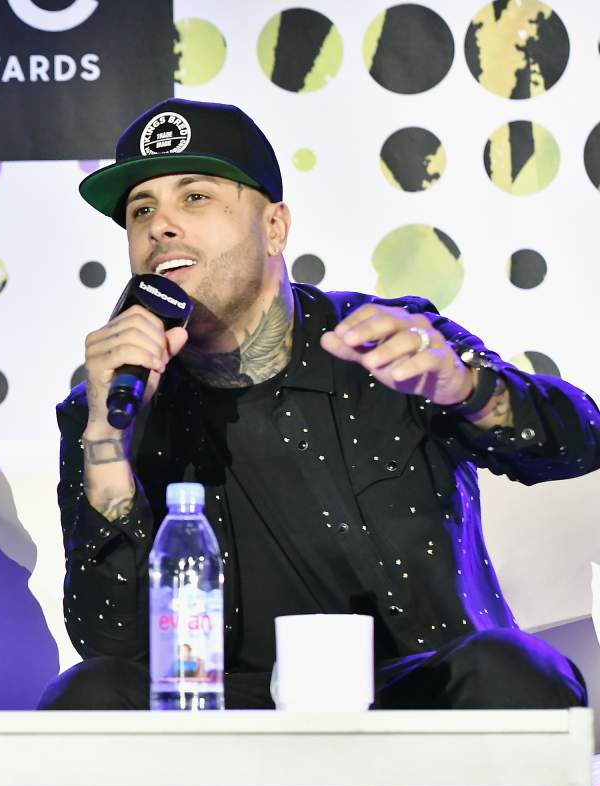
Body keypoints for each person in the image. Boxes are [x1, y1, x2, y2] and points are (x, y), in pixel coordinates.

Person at [39, 98, 595, 710]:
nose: (159, 226)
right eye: (141, 209)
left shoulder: (390, 342)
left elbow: (580, 443)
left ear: (275, 227)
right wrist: (107, 442)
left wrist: (467, 388)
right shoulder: (110, 405)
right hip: (220, 711)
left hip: (414, 696)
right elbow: (107, 642)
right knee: (83, 696)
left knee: (515, 668)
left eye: (194, 197)